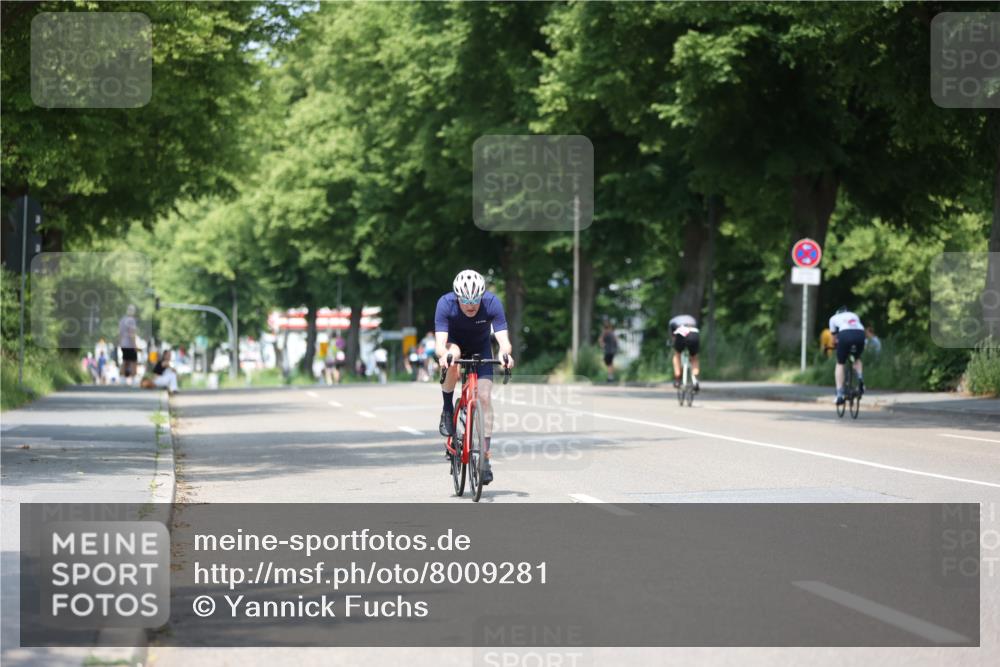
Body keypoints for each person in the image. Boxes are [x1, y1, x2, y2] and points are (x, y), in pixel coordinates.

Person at [435, 269, 514, 486]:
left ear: (482, 296)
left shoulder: (492, 303)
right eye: (466, 301)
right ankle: (447, 408)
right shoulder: (445, 303)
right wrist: (445, 356)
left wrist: (505, 355)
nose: (471, 305)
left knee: (485, 397)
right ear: (457, 297)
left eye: (475, 300)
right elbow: (440, 343)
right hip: (454, 346)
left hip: (481, 348)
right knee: (454, 356)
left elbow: (503, 340)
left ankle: (485, 458)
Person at [829, 306, 866, 405]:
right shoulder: (854, 315)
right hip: (860, 334)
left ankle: (839, 394)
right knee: (857, 358)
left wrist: (836, 345)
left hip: (845, 334)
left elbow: (833, 339)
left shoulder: (833, 318)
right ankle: (860, 379)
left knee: (840, 363)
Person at [668, 314, 700, 392]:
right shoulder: (692, 319)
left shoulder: (673, 321)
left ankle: (677, 378)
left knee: (677, 355)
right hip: (694, 333)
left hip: (681, 333)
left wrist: (673, 343)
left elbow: (673, 336)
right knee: (694, 357)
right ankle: (695, 380)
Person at [118, 304, 139, 385]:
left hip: (123, 343)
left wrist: (120, 343)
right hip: (130, 344)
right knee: (134, 361)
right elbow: (132, 333)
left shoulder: (122, 320)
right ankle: (133, 379)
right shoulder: (132, 320)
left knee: (125, 360)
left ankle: (122, 378)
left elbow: (119, 333)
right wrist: (135, 345)